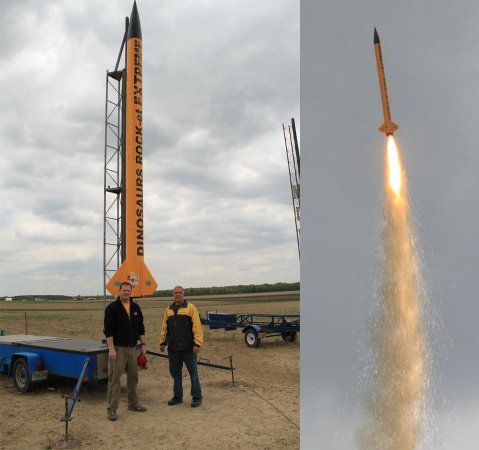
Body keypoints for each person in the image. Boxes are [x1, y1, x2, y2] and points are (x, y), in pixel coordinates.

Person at [104, 281, 148, 421]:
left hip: (133, 348)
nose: (126, 293)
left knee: (133, 379)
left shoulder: (135, 307)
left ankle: (133, 404)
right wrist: (111, 349)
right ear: (119, 291)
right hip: (118, 349)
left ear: (131, 292)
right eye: (124, 290)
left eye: (128, 290)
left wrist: (143, 344)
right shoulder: (112, 308)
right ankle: (112, 409)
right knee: (115, 380)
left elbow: (141, 328)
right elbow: (108, 330)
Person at [160, 286, 203, 407]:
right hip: (173, 349)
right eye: (175, 293)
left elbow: (197, 327)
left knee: (193, 373)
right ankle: (178, 396)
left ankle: (197, 397)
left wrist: (197, 343)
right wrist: (162, 342)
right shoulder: (168, 310)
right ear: (173, 295)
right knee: (176, 374)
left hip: (189, 348)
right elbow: (164, 327)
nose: (178, 294)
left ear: (183, 294)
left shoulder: (191, 308)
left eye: (180, 292)